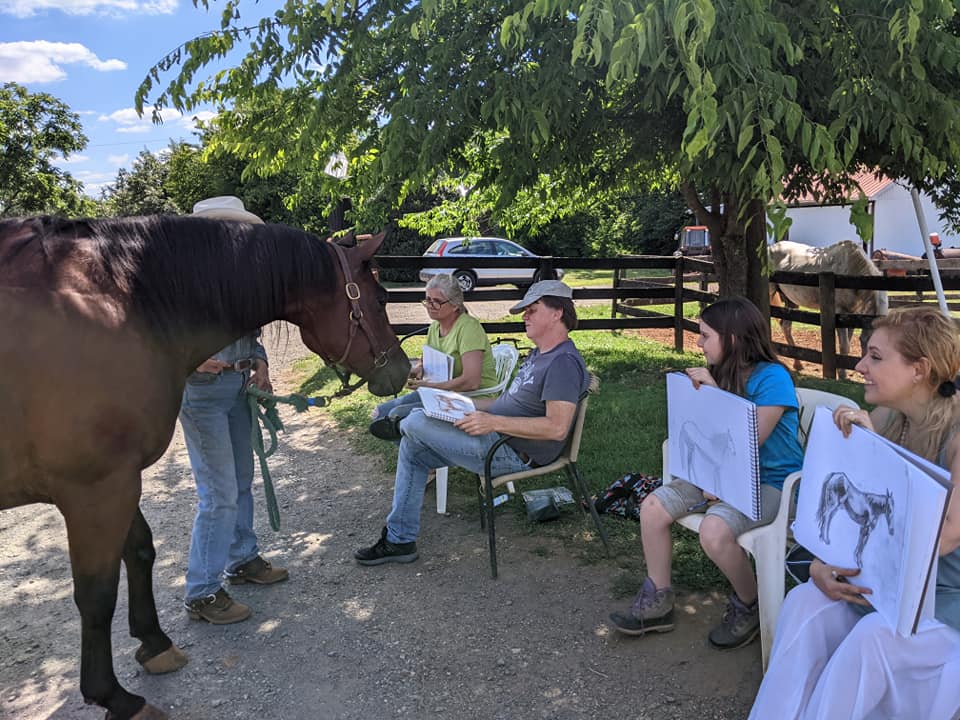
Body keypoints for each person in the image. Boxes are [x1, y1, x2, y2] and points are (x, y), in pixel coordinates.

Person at [750, 306, 960, 720]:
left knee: (874, 639)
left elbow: (948, 534)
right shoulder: (888, 416)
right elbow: (855, 506)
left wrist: (856, 562)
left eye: (876, 357)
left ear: (919, 369)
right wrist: (821, 564)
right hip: (888, 582)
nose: (861, 365)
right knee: (805, 602)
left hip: (946, 599)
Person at [609, 297, 803, 648]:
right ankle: (659, 597)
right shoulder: (724, 373)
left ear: (733, 338)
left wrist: (715, 395)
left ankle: (750, 603)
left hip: (771, 483)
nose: (698, 343)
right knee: (652, 508)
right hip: (718, 476)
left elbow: (746, 441)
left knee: (714, 531)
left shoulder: (773, 379)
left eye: (705, 335)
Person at [354, 279, 588, 565]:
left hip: (510, 451)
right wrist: (463, 405)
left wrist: (492, 422)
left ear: (557, 313)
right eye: (524, 310)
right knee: (413, 448)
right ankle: (399, 540)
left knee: (414, 421)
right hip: (495, 436)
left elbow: (556, 427)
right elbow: (506, 404)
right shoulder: (540, 356)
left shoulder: (563, 362)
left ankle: (400, 422)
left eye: (532, 310)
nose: (525, 316)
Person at [180, 196, 288, 625]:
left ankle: (242, 559)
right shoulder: (181, 281)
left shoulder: (241, 280)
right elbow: (154, 336)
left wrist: (259, 359)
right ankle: (201, 592)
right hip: (202, 393)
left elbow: (251, 335)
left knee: (241, 482)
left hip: (239, 388)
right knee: (219, 493)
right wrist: (186, 358)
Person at [368, 273, 498, 441]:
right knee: (380, 413)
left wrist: (432, 386)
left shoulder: (468, 328)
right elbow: (427, 360)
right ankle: (421, 452)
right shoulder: (434, 327)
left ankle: (425, 455)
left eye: (436, 301)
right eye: (427, 299)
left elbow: (472, 382)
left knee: (396, 415)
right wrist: (417, 371)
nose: (429, 305)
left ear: (454, 304)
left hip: (471, 397)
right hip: (442, 392)